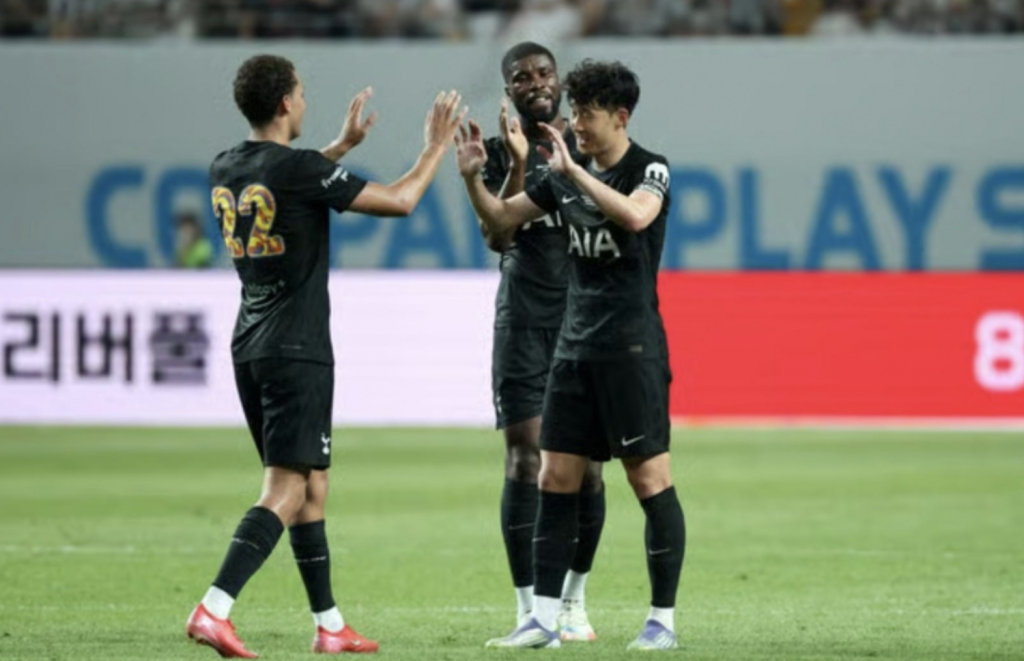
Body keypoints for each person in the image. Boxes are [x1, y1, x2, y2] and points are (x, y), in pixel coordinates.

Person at [186, 54, 466, 658]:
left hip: (251, 343)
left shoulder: (225, 165)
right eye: (302, 93)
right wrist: (435, 147)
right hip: (297, 348)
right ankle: (214, 608)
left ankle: (330, 625)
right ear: (286, 102)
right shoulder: (299, 169)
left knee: (312, 487)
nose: (306, 102)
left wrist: (340, 147)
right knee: (286, 488)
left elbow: (287, 183)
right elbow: (400, 200)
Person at [456, 59, 685, 651]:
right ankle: (541, 619)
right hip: (572, 350)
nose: (576, 122)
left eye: (587, 113)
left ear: (620, 116)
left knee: (648, 478)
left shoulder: (649, 167)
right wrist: (475, 180)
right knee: (555, 476)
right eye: (575, 110)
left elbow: (636, 215)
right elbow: (502, 223)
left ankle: (661, 621)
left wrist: (573, 174)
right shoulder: (563, 172)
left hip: (630, 350)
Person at [479, 41, 605, 644]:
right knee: (524, 459)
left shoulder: (590, 146)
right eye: (522, 77)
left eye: (544, 73)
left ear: (559, 81)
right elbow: (496, 236)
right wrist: (518, 163)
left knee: (588, 471)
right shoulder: (497, 151)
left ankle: (574, 602)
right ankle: (531, 609)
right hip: (524, 319)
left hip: (586, 322)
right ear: (509, 90)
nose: (536, 83)